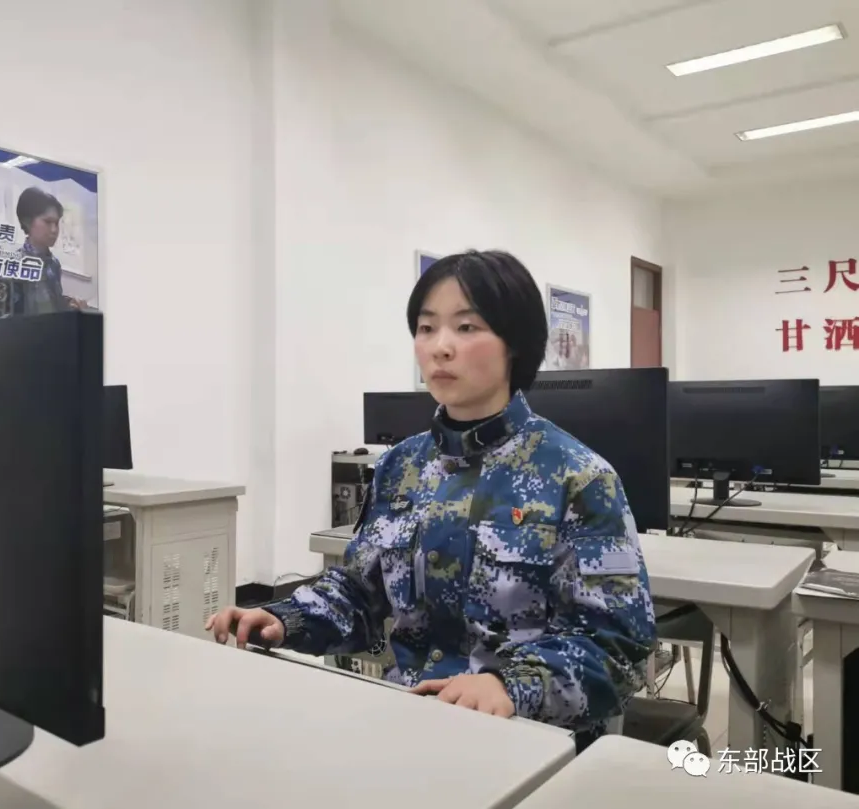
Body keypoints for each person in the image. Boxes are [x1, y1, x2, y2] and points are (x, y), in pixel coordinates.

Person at [207, 250, 656, 745]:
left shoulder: (579, 477)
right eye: (426, 328)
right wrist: (283, 618)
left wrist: (509, 686)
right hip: (410, 724)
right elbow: (359, 593)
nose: (440, 347)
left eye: (466, 327)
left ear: (515, 343)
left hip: (528, 741)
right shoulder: (401, 467)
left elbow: (618, 646)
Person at [0, 187, 86, 319]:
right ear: (27, 222)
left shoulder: (53, 264)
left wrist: (69, 304)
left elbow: (50, 302)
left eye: (57, 223)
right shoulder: (12, 269)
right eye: (47, 222)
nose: (54, 230)